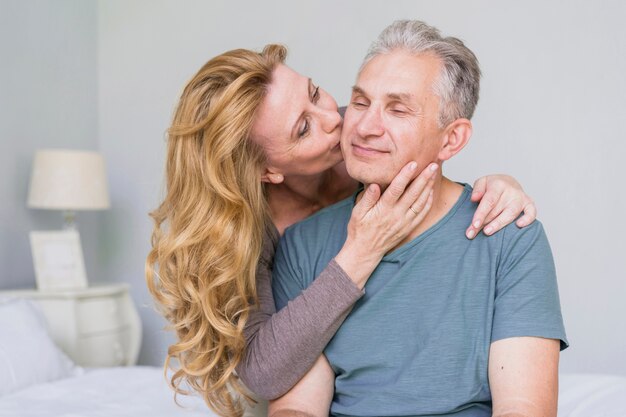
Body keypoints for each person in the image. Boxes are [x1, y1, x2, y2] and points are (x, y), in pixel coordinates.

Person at [145, 39, 538, 417]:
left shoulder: (362, 131)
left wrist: (501, 185)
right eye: (303, 129)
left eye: (315, 93)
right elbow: (265, 372)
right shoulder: (256, 235)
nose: (339, 120)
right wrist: (361, 251)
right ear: (267, 171)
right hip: (278, 377)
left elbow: (432, 149)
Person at [270, 20, 568, 417]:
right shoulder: (303, 244)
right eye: (360, 102)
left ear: (452, 139)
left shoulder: (509, 236)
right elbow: (297, 408)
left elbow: (524, 408)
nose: (364, 127)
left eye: (397, 109)